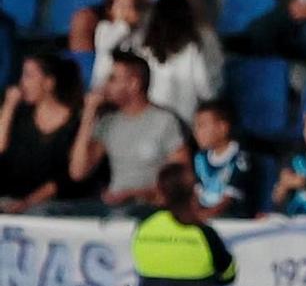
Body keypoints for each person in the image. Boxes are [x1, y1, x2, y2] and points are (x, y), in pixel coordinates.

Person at [68, 50, 189, 214]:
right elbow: (78, 172)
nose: (105, 85)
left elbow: (181, 176)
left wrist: (136, 194)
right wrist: (89, 114)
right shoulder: (108, 122)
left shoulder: (165, 121)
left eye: (113, 79)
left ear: (134, 84)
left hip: (153, 208)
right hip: (114, 207)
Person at [130, 162, 236, 286]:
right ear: (193, 193)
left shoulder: (143, 226)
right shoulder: (204, 233)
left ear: (160, 191)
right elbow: (228, 275)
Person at [0, 53, 89, 214]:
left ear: (49, 83)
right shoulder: (19, 115)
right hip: (10, 199)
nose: (22, 83)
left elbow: (65, 178)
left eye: (28, 76)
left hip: (56, 206)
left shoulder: (75, 122)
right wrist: (9, 106)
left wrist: (27, 203)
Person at [134, 0, 215, 125]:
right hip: (183, 123)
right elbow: (206, 90)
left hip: (151, 123)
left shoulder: (144, 49)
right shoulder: (194, 48)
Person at [190, 99, 250, 219]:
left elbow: (229, 200)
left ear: (223, 128)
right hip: (205, 218)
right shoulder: (200, 159)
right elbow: (196, 193)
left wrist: (205, 216)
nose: (196, 132)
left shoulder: (240, 159)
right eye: (195, 126)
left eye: (202, 126)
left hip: (232, 221)